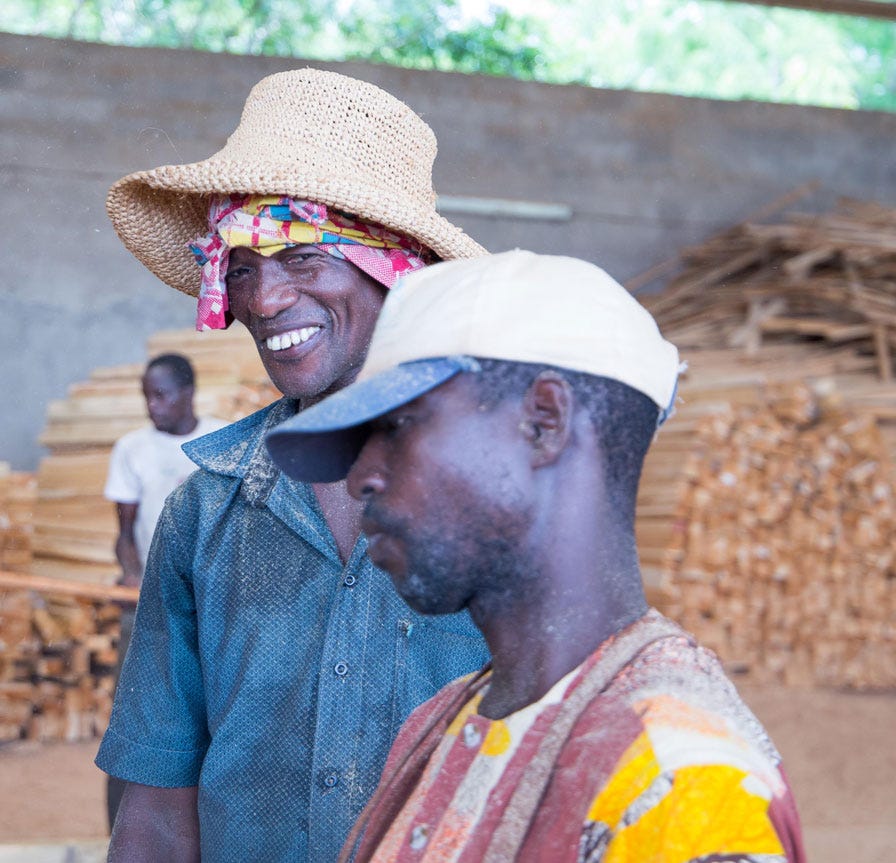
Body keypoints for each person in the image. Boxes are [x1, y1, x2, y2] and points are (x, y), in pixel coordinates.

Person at [266, 249, 808, 863]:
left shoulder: (677, 787)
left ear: (544, 422)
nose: (360, 475)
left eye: (396, 427)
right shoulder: (439, 726)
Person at [95, 68, 489, 863]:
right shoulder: (204, 511)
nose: (265, 298)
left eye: (303, 257)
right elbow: (158, 806)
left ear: (394, 266)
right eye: (240, 266)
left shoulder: (503, 497)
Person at [103, 352, 225, 828]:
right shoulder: (131, 448)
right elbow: (123, 533)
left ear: (188, 392)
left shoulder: (221, 439)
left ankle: (204, 831)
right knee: (139, 724)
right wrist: (134, 575)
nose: (152, 406)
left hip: (212, 600)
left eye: (162, 394)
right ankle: (121, 834)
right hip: (148, 601)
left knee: (213, 719)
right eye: (146, 397)